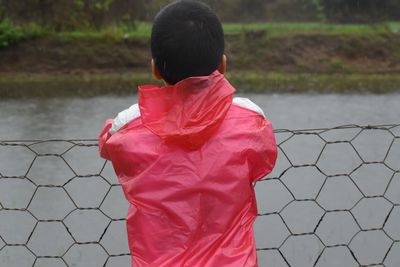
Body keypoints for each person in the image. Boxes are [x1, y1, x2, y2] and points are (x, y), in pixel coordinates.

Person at [98, 1, 277, 266]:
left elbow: (107, 145)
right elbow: (264, 160)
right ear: (223, 64)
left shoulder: (129, 124)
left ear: (155, 68)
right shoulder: (250, 118)